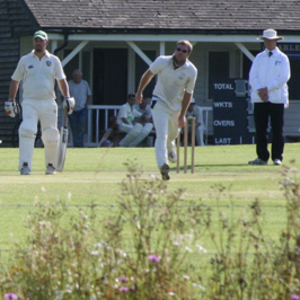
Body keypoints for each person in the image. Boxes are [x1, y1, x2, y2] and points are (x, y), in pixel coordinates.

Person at [7, 30, 73, 175]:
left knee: (51, 134)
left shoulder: (54, 60)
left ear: (46, 42)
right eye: (36, 40)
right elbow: (15, 80)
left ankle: (51, 165)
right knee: (27, 130)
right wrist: (11, 100)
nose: (38, 42)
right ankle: (25, 165)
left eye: (41, 40)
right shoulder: (25, 60)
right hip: (30, 102)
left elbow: (61, 80)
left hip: (49, 102)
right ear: (33, 42)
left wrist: (67, 97)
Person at [136, 40, 198, 180]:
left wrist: (182, 115)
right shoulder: (162, 61)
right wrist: (139, 92)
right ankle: (163, 165)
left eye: (184, 51)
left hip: (176, 106)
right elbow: (148, 75)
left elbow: (189, 94)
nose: (180, 52)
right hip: (160, 102)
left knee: (172, 135)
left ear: (188, 54)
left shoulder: (191, 70)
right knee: (161, 135)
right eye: (178, 49)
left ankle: (171, 147)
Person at [248, 28, 290, 166]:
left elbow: (284, 77)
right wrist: (260, 91)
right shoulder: (259, 57)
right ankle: (262, 157)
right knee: (260, 129)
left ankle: (277, 157)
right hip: (260, 98)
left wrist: (267, 89)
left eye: (271, 40)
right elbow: (252, 76)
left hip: (277, 98)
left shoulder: (282, 58)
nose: (268, 43)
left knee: (277, 128)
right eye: (266, 40)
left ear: (276, 41)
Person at [68, 69, 92, 147]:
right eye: (76, 76)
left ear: (81, 76)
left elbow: (89, 95)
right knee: (74, 127)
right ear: (73, 77)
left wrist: (86, 104)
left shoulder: (85, 83)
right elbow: (63, 96)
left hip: (82, 109)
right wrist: (67, 105)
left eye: (79, 76)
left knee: (81, 127)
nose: (77, 78)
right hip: (72, 109)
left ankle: (80, 144)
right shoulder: (69, 84)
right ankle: (76, 144)